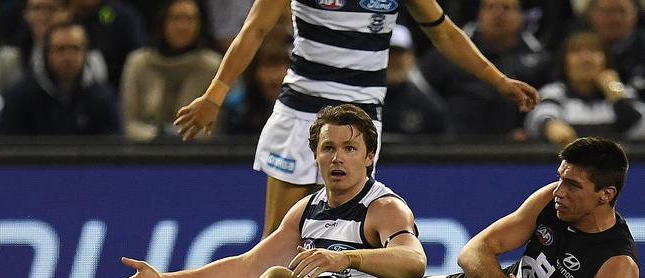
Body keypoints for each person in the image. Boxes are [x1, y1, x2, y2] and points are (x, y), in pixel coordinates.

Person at [0, 104, 427, 278]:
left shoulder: (383, 208)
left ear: (369, 158)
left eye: (350, 148)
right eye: (329, 147)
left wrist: (345, 258)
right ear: (315, 155)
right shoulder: (309, 207)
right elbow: (246, 265)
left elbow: (415, 260)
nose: (338, 158)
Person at [173, 0, 540, 239]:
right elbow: (254, 29)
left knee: (340, 236)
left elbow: (443, 31)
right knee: (277, 240)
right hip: (299, 115)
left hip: (360, 123)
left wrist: (498, 80)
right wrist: (215, 95)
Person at [388, 136, 638, 278]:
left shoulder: (616, 266)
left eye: (573, 185)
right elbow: (473, 250)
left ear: (606, 194)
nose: (559, 191)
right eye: (560, 178)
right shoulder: (551, 200)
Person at [419, 0, 552, 139]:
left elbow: (548, 99)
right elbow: (424, 97)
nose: (498, 14)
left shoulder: (538, 58)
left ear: (521, 15)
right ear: (479, 13)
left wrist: (530, 132)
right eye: (490, 7)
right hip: (455, 146)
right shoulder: (444, 56)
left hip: (517, 149)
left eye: (506, 8)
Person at [120, 0, 221, 141]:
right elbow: (128, 123)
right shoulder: (139, 63)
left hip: (198, 156)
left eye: (190, 19)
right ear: (163, 22)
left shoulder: (213, 67)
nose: (182, 26)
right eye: (176, 18)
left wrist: (178, 137)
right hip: (143, 153)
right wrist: (158, 137)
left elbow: (214, 129)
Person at [0, 21, 121, 135]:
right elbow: (10, 146)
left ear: (85, 53)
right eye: (60, 49)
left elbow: (114, 145)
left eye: (75, 48)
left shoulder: (103, 98)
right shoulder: (21, 97)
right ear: (46, 53)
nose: (68, 57)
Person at [525, 31, 645, 146]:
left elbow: (640, 129)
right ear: (564, 62)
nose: (586, 58)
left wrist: (615, 92)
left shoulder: (624, 93)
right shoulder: (555, 92)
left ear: (606, 60)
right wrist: (550, 126)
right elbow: (539, 117)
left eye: (594, 51)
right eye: (576, 51)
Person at [0, 0, 107, 94]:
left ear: (67, 12)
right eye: (36, 9)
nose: (42, 16)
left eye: (51, 8)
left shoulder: (92, 61)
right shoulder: (10, 59)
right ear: (26, 14)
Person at [383, 24, 445, 135]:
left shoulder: (428, 107)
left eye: (399, 54)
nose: (393, 61)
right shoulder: (360, 100)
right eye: (389, 53)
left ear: (411, 58)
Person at [586, 0, 645, 101]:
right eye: (607, 11)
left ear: (635, 15)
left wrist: (616, 91)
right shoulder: (575, 49)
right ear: (592, 15)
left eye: (621, 11)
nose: (614, 18)